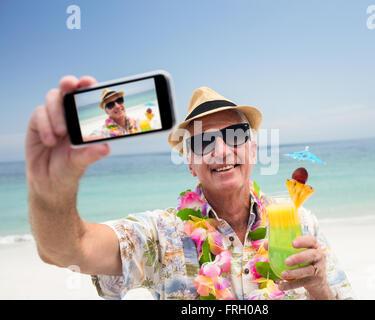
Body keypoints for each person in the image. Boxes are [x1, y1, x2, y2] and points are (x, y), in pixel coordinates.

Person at [26, 75, 355, 300]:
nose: (222, 151)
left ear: (254, 149)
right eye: (203, 141)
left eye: (236, 136)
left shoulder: (301, 223)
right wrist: (51, 193)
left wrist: (319, 287)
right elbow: (67, 250)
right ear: (190, 162)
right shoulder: (162, 234)